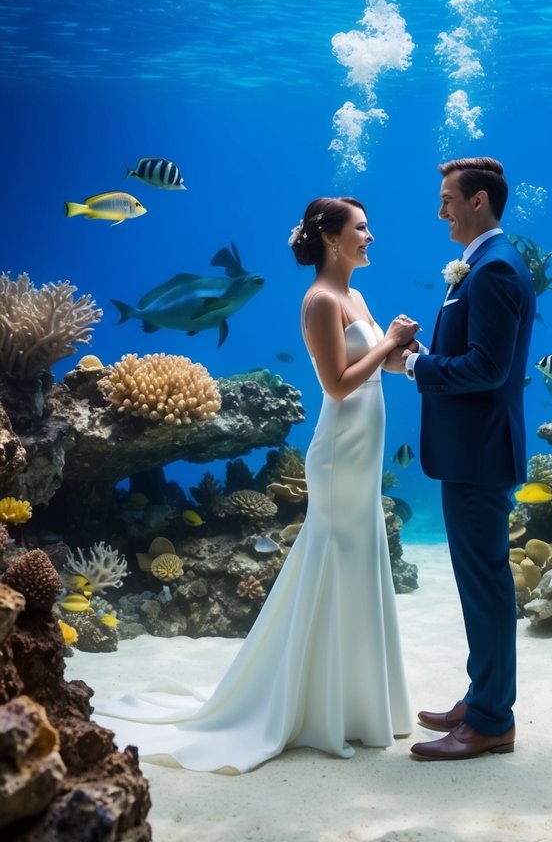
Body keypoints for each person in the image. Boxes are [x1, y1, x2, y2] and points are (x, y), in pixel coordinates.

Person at [93, 196, 418, 771]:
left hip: (363, 458)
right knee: (333, 564)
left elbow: (376, 366)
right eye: (362, 229)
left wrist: (407, 356)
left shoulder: (357, 296)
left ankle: (355, 705)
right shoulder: (320, 300)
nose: (371, 237)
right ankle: (308, 704)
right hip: (340, 455)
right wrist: (388, 343)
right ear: (331, 238)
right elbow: (339, 385)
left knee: (361, 562)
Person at [389, 157, 535, 761]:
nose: (440, 209)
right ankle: (481, 699)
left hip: (480, 455)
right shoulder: (479, 265)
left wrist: (418, 367)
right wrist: (422, 351)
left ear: (478, 201)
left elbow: (489, 369)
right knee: (478, 584)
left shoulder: (496, 268)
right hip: (470, 452)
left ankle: (493, 719)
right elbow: (474, 354)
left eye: (448, 197)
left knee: (487, 585)